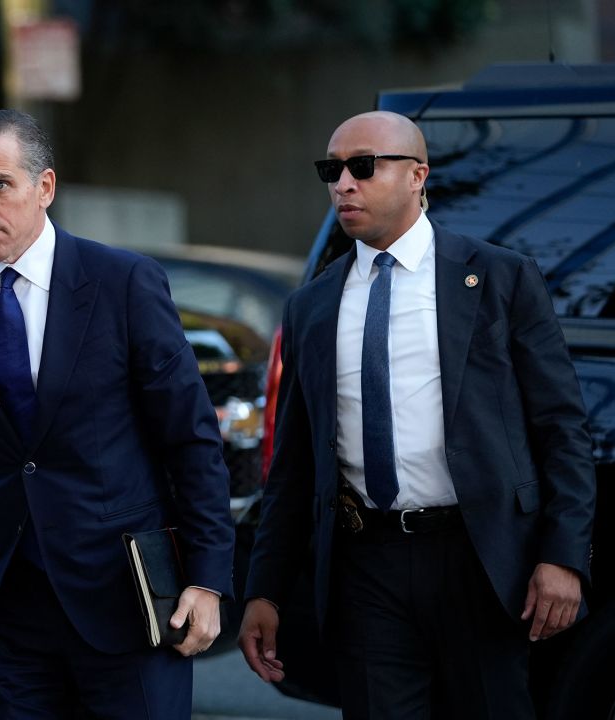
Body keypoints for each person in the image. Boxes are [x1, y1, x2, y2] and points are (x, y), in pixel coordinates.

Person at [237, 111, 596, 718]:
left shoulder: (499, 278)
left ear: (417, 175)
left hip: (479, 558)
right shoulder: (313, 306)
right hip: (365, 565)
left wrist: (562, 555)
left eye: (363, 167)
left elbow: (561, 428)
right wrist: (265, 590)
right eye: (333, 170)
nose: (343, 184)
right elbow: (294, 465)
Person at [0, 108, 236, 719]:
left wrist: (208, 578)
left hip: (122, 595)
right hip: (2, 599)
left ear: (45, 187)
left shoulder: (124, 282)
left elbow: (189, 437)